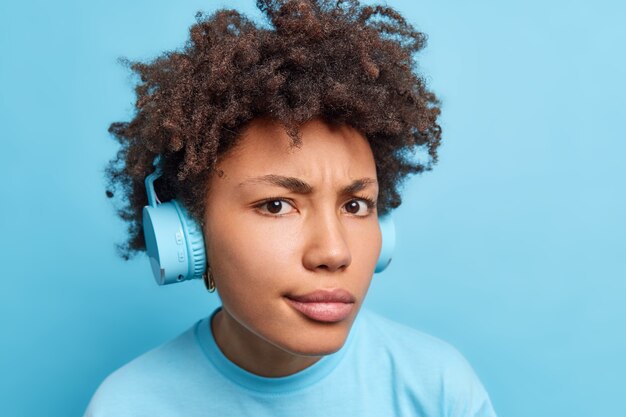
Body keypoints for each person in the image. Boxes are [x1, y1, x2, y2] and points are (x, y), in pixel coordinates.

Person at [86, 0, 497, 415]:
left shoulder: (440, 390)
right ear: (190, 233)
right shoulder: (128, 406)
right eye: (277, 205)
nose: (334, 253)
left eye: (355, 205)